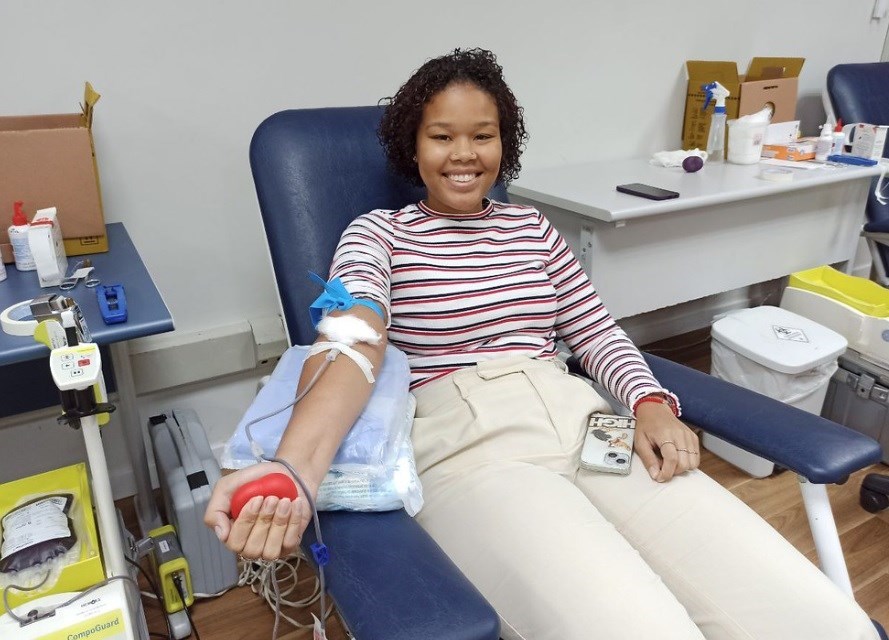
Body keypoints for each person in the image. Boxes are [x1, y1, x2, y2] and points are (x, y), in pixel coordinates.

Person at [206, 48, 879, 640]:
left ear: (505, 143)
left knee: (822, 620)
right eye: (441, 136)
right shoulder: (378, 233)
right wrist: (295, 466)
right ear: (412, 148)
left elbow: (595, 331)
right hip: (470, 449)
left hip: (584, 423)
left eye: (483, 135)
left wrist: (648, 403)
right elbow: (353, 337)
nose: (464, 154)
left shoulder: (533, 228)